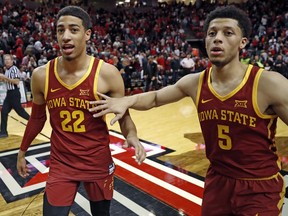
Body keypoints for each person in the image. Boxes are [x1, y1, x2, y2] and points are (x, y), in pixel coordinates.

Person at [90, 5, 288, 215]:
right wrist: (126, 101)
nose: (217, 38)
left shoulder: (268, 84)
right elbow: (156, 97)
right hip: (217, 181)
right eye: (212, 33)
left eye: (228, 33)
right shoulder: (195, 82)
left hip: (258, 186)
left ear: (243, 43)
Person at [16, 6, 146, 216]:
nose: (65, 36)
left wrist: (132, 136)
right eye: (60, 30)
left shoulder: (107, 74)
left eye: (73, 30)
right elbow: (37, 119)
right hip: (62, 164)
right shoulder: (41, 75)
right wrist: (22, 151)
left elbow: (124, 117)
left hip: (97, 161)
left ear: (87, 34)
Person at [0, 54, 30, 138]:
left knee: (20, 111)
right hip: (9, 93)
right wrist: (2, 78)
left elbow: (16, 82)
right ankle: (3, 132)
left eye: (8, 59)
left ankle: (33, 121)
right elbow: (6, 80)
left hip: (14, 93)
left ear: (12, 61)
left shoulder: (14, 69)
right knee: (4, 112)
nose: (6, 61)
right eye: (5, 60)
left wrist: (5, 78)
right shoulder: (6, 70)